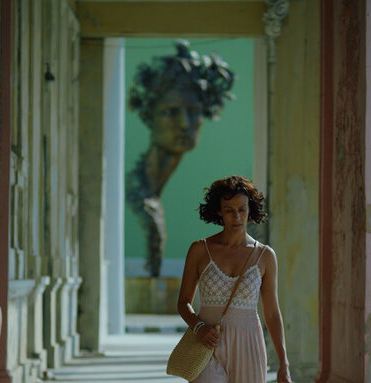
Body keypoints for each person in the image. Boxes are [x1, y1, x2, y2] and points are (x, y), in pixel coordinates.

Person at [127, 40, 235, 277]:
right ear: (149, 114)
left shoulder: (150, 192)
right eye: (170, 112)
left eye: (193, 112)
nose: (184, 124)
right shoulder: (131, 193)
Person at [177, 175, 292, 383]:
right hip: (206, 344)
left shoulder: (265, 256)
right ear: (219, 212)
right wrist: (199, 328)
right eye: (229, 210)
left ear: (250, 211)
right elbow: (183, 302)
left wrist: (284, 363)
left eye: (242, 210)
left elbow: (272, 314)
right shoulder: (199, 250)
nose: (236, 217)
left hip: (249, 345)